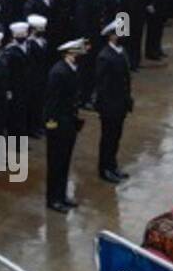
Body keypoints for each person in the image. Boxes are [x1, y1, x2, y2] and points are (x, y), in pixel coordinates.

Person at [43, 39, 86, 213]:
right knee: (56, 163)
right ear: (69, 53)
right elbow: (51, 103)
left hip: (68, 122)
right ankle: (53, 199)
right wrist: (51, 126)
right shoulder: (58, 72)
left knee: (65, 161)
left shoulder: (71, 69)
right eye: (77, 52)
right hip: (58, 124)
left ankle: (61, 195)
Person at [93, 20, 133, 183]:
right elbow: (102, 85)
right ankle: (105, 169)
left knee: (116, 136)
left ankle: (113, 165)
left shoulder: (120, 51)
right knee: (108, 138)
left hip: (120, 102)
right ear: (111, 36)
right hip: (110, 105)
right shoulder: (105, 56)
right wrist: (104, 105)